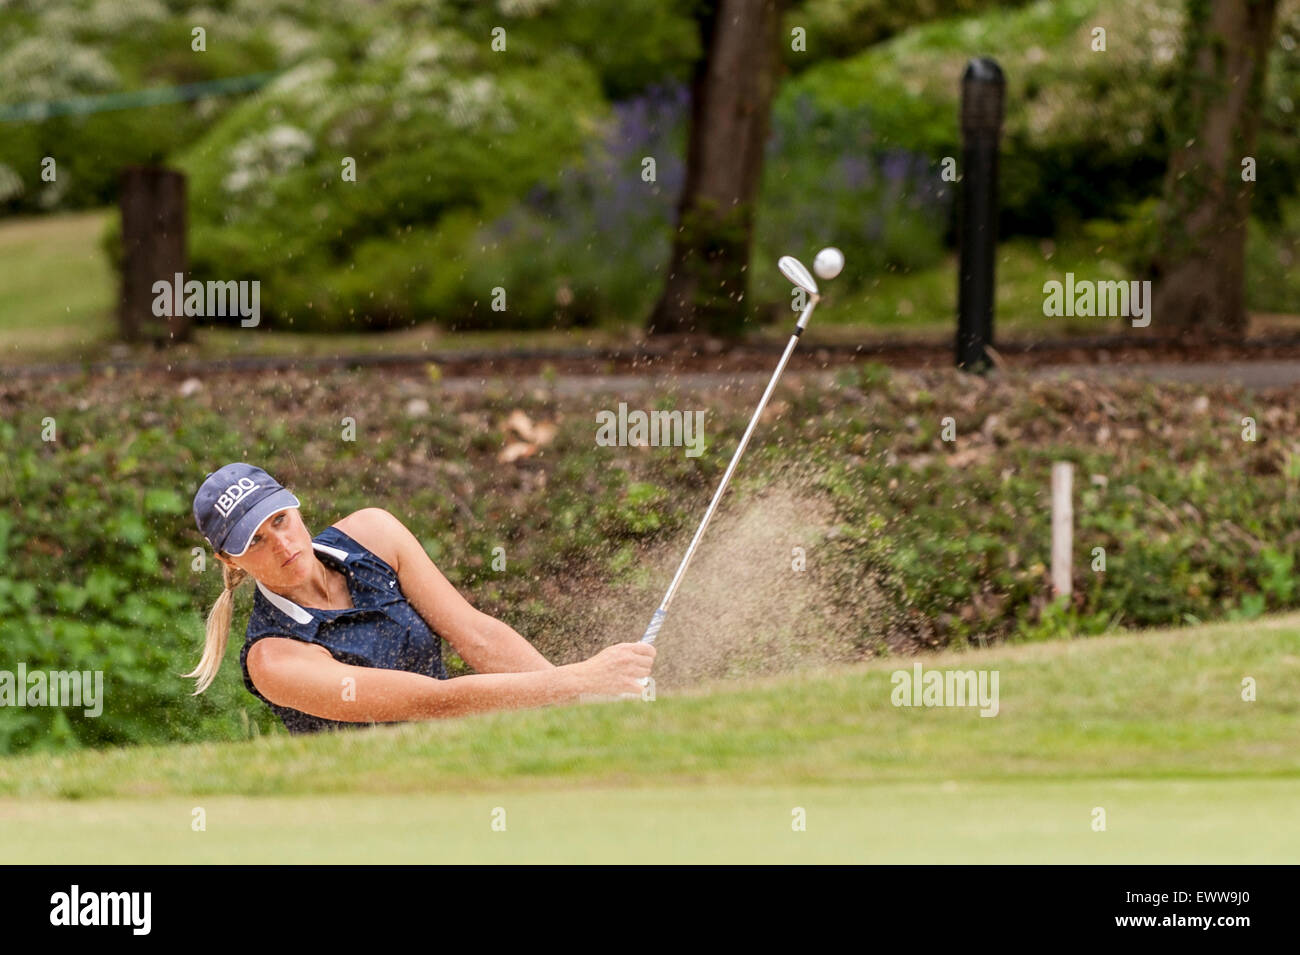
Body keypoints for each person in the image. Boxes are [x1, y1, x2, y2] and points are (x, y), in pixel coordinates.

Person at [186, 462, 654, 734]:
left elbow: (477, 636)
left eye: (280, 521)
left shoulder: (372, 534)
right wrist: (581, 680)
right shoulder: (274, 657)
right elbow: (433, 703)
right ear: (230, 561)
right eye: (256, 542)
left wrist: (588, 716)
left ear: (295, 506)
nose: (284, 546)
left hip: (462, 756)